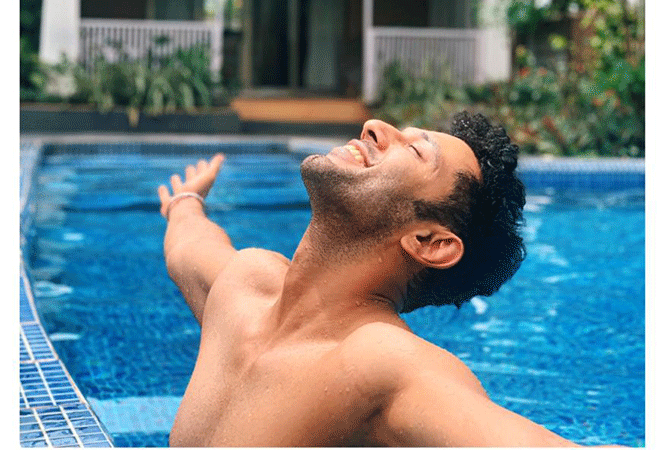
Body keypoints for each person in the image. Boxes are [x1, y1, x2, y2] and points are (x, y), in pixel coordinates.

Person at [157, 112, 616, 447]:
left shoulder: (381, 365)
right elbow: (189, 246)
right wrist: (185, 202)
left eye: (415, 151)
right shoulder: (245, 285)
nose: (373, 127)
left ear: (431, 242)